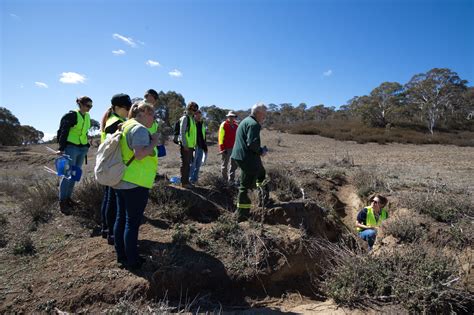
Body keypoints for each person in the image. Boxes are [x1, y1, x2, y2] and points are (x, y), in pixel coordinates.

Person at [113, 101, 159, 270]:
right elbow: (139, 155)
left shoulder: (125, 125)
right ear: (145, 112)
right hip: (135, 182)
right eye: (152, 115)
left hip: (121, 180)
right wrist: (154, 142)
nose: (153, 119)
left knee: (121, 218)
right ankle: (132, 260)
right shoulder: (139, 129)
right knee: (132, 223)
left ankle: (121, 255)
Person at [99, 93, 132, 245]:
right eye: (127, 107)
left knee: (109, 197)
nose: (128, 110)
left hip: (109, 163)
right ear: (118, 107)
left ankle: (106, 229)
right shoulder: (115, 122)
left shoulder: (114, 120)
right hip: (112, 164)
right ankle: (110, 231)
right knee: (112, 200)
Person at [231, 103, 269, 221]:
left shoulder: (245, 121)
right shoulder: (254, 124)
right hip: (247, 157)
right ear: (258, 113)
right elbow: (252, 144)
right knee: (245, 186)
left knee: (261, 173)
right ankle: (242, 214)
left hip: (242, 156)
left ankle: (264, 199)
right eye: (264, 114)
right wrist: (261, 151)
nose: (265, 117)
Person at [56, 96, 93, 215]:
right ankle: (62, 202)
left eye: (91, 106)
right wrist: (61, 148)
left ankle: (68, 199)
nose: (89, 108)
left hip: (82, 148)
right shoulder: (71, 115)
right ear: (80, 104)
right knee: (67, 175)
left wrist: (86, 145)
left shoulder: (87, 116)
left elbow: (85, 132)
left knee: (75, 174)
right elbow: (62, 131)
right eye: (88, 105)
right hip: (70, 148)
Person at [178, 102, 198, 188]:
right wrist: (185, 144)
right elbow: (182, 132)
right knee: (185, 164)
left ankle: (186, 181)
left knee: (188, 164)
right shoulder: (185, 118)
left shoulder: (192, 119)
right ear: (188, 108)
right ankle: (184, 183)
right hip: (185, 146)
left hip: (191, 146)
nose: (194, 111)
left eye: (195, 110)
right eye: (193, 109)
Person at [218, 111, 239, 185]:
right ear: (228, 117)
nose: (231, 118)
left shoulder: (236, 126)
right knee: (224, 165)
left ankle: (231, 180)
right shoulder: (224, 125)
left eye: (233, 116)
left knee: (234, 165)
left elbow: (238, 137)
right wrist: (222, 149)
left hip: (235, 148)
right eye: (230, 116)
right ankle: (224, 180)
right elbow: (220, 138)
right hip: (226, 148)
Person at [189, 109, 208, 184]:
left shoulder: (202, 123)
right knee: (192, 164)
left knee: (198, 164)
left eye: (200, 115)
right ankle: (189, 180)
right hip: (194, 146)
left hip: (201, 146)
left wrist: (205, 146)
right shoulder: (191, 123)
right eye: (198, 115)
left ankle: (195, 180)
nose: (199, 117)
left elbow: (204, 135)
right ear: (194, 115)